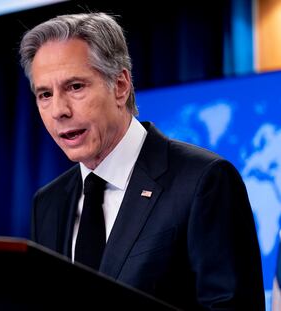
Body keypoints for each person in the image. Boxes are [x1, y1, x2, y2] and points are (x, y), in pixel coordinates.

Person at [19, 12, 265, 310]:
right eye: (45, 94)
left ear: (120, 86)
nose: (59, 110)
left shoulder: (204, 181)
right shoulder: (48, 203)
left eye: (75, 87)